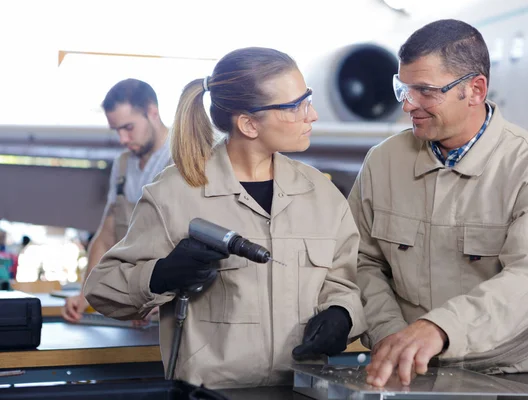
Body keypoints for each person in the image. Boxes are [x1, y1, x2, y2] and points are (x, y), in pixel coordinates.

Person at [84, 47, 367, 388]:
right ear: (248, 123)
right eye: (296, 107)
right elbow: (102, 289)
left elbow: (346, 281)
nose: (313, 115)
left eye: (307, 99)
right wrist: (159, 275)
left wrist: (343, 313)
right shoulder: (174, 195)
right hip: (211, 395)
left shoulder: (321, 196)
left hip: (302, 393)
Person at [348, 19, 528, 387]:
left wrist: (439, 328)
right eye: (403, 89)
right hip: (404, 373)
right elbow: (360, 260)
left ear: (475, 89)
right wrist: (390, 333)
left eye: (425, 91)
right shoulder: (383, 162)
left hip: (504, 378)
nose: (408, 105)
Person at [62, 79, 172, 323]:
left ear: (152, 112)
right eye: (117, 130)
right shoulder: (122, 165)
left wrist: (167, 298)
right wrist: (86, 295)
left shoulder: (182, 158)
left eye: (128, 127)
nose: (122, 138)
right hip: (132, 304)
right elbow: (107, 236)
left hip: (171, 308)